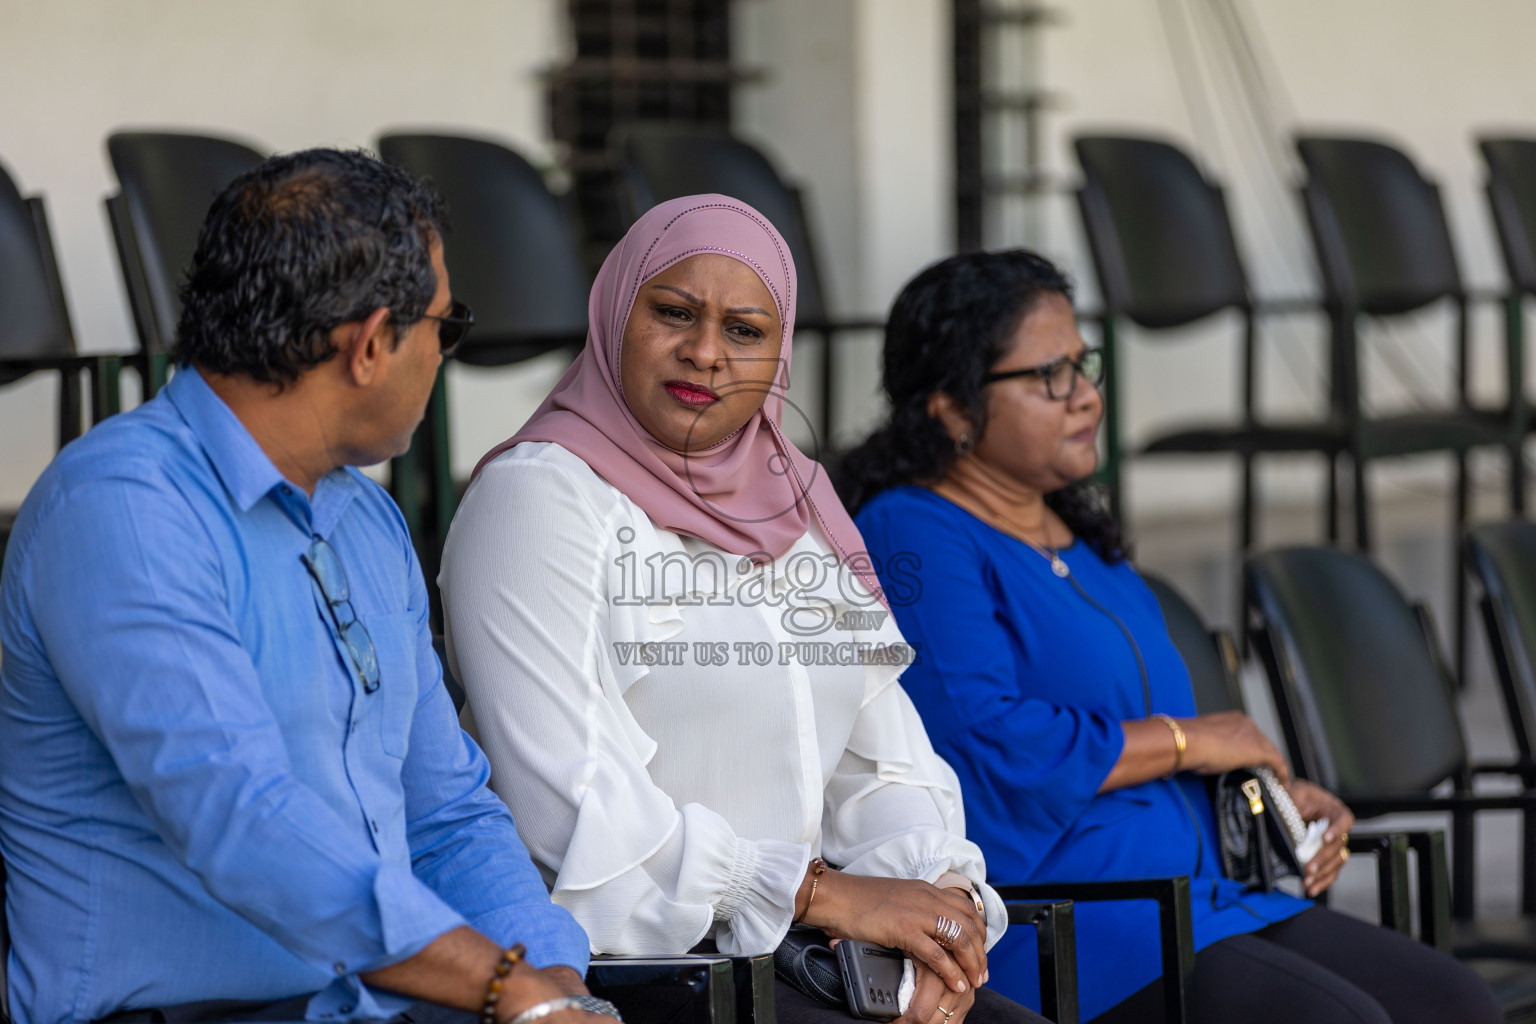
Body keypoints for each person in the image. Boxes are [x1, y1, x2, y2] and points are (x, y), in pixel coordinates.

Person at [0, 149, 616, 1024]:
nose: (444, 351)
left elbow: (444, 812)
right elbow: (239, 817)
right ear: (371, 345)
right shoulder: (124, 508)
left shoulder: (365, 521)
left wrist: (559, 985)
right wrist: (502, 986)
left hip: (374, 1004)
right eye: (448, 324)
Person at [843, 249, 1502, 1024]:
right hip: (1077, 919)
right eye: (1048, 377)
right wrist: (1194, 741)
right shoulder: (912, 532)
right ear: (951, 407)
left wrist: (1263, 799)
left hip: (1203, 895)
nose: (1086, 398)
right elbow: (988, 744)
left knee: (1454, 1003)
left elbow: (1149, 739)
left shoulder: (1080, 538)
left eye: (1083, 366)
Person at [439, 195, 1046, 1024]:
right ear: (616, 312)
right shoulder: (539, 500)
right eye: (674, 313)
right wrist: (818, 894)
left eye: (745, 330)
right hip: (650, 976)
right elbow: (568, 810)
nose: (704, 353)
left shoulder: (796, 506)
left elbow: (883, 762)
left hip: (816, 965)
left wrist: (942, 905)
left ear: (779, 351)